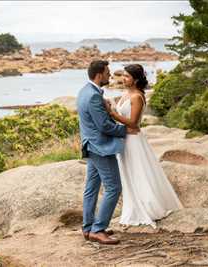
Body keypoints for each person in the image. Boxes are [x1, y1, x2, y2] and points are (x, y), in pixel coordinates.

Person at [106, 64, 183, 228]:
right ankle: (133, 207)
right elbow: (123, 117)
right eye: (123, 76)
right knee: (128, 174)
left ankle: (148, 207)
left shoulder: (137, 97)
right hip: (124, 139)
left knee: (138, 173)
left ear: (136, 79)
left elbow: (133, 123)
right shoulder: (126, 94)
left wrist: (112, 113)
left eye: (127, 76)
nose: (123, 79)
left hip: (133, 141)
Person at [76, 60, 139, 245]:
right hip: (100, 147)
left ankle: (88, 228)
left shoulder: (85, 91)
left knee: (91, 188)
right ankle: (98, 230)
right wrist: (125, 130)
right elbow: (103, 125)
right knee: (114, 188)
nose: (109, 76)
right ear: (98, 74)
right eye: (107, 72)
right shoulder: (93, 95)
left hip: (91, 145)